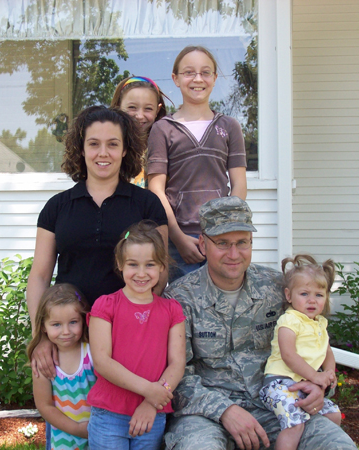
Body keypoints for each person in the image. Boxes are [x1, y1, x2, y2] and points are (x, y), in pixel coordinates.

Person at [163, 197, 357, 450]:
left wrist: (320, 386)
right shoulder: (179, 298)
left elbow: (314, 342)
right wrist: (225, 410)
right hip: (206, 414)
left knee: (337, 445)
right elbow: (176, 375)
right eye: (222, 243)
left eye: (242, 242)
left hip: (278, 404)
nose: (234, 254)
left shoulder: (279, 288)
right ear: (203, 244)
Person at [27, 106, 169, 380]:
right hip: (69, 339)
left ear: (125, 150)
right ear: (81, 149)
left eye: (113, 144)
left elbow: (160, 273)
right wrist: (41, 336)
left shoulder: (147, 204)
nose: (103, 153)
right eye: (94, 144)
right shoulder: (56, 207)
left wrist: (138, 324)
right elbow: (40, 276)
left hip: (129, 338)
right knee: (69, 407)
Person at [147, 46, 248, 282]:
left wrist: (223, 231)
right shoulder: (163, 129)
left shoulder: (229, 126)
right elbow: (156, 189)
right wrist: (178, 237)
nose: (198, 79)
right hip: (179, 241)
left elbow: (239, 185)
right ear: (176, 79)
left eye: (205, 72)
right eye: (189, 72)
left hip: (220, 237)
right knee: (182, 303)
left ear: (214, 78)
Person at [87, 221, 186, 450]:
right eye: (133, 264)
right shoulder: (106, 305)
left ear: (162, 266)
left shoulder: (172, 310)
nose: (141, 273)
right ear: (120, 264)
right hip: (109, 414)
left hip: (152, 414)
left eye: (150, 264)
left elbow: (177, 363)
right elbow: (102, 361)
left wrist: (152, 402)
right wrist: (150, 391)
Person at [259, 255, 341, 450]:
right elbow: (288, 355)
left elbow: (327, 351)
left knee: (334, 415)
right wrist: (315, 376)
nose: (312, 300)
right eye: (304, 294)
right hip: (280, 383)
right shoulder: (290, 320)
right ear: (289, 296)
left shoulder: (319, 323)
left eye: (319, 295)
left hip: (304, 383)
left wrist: (329, 372)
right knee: (295, 425)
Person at [27, 284, 96, 450]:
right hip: (64, 441)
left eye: (73, 322)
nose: (66, 331)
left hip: (98, 434)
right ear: (43, 326)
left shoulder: (92, 353)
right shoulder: (44, 362)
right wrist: (77, 429)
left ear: (83, 320)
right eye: (56, 324)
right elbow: (44, 406)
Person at [110, 75, 171, 188]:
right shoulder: (107, 147)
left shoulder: (166, 147)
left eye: (148, 109)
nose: (139, 116)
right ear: (118, 106)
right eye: (132, 107)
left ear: (157, 110)